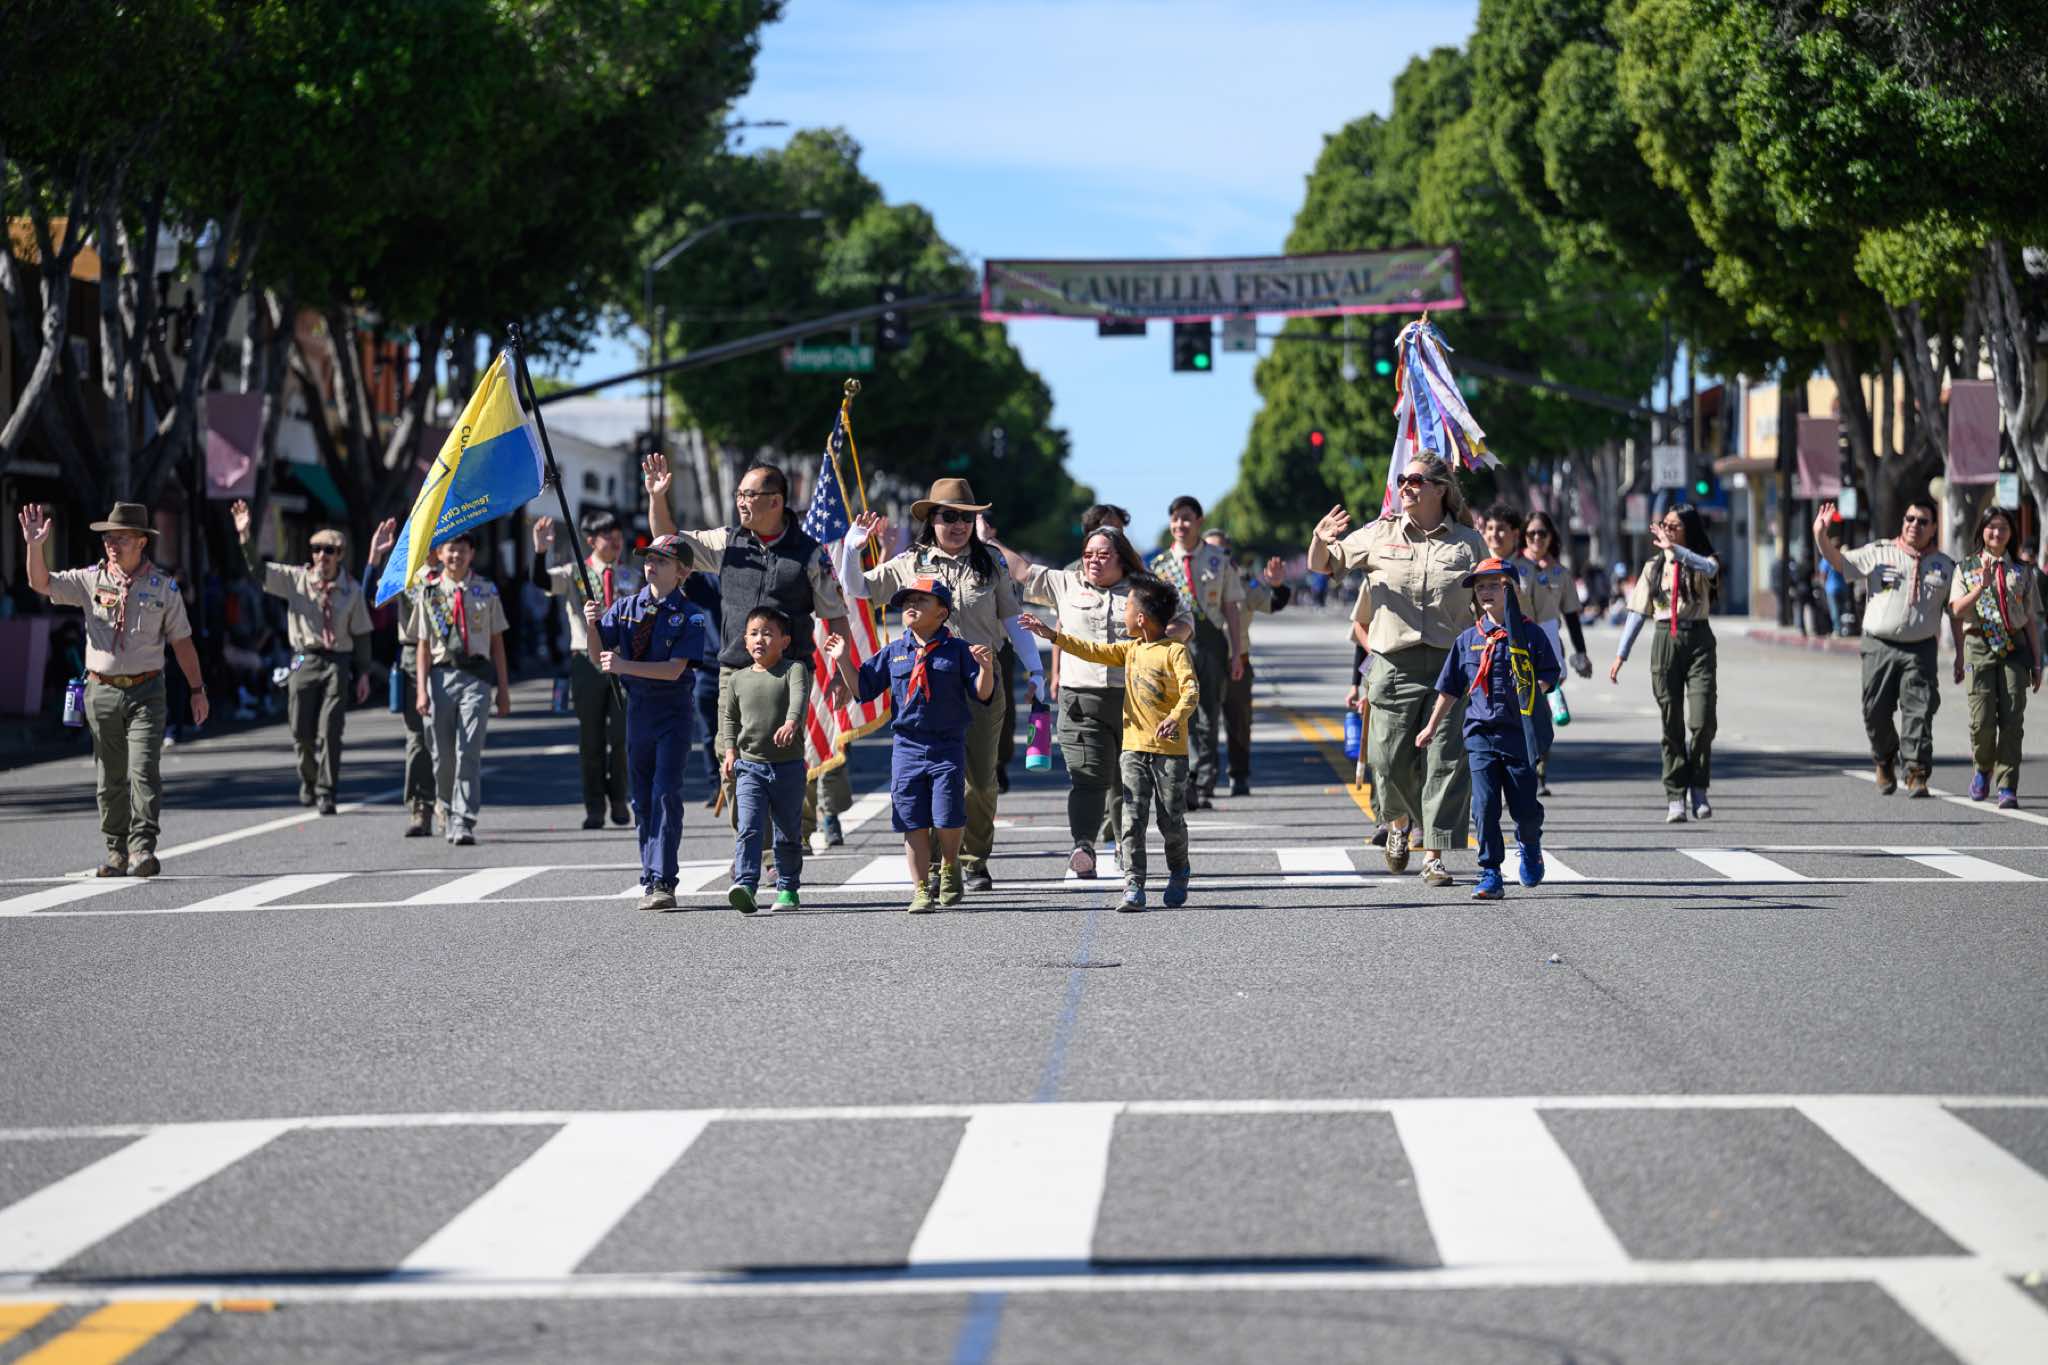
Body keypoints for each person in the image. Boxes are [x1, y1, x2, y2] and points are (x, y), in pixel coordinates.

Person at [851, 479, 1041, 894]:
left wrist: (1037, 672)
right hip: (929, 681)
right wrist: (852, 549)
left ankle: (974, 860)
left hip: (981, 675)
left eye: (965, 518)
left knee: (981, 779)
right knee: (929, 777)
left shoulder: (990, 561)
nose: (958, 525)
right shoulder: (911, 562)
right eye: (948, 516)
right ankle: (936, 864)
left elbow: (1012, 619)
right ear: (931, 520)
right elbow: (859, 588)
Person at [1307, 455, 1488, 886]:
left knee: (1445, 760)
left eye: (1416, 480)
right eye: (1403, 478)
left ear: (1440, 489)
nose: (1405, 485)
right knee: (1387, 760)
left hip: (1450, 666)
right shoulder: (1379, 532)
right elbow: (1322, 564)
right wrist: (1319, 538)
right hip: (1393, 664)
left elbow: (1487, 601)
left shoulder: (1468, 543)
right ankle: (1400, 822)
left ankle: (1434, 855)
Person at [17, 502, 210, 877]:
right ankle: (116, 851)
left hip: (146, 691)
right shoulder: (91, 579)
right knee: (110, 778)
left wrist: (197, 689)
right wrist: (34, 546)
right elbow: (41, 583)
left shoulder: (163, 587)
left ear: (141, 542)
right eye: (108, 538)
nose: (111, 544)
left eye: (121, 538)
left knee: (143, 770)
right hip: (101, 692)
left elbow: (182, 642)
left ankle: (142, 849)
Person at [994, 524, 1192, 878]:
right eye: (1088, 555)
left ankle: (1123, 846)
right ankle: (1083, 845)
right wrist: (988, 540)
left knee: (1124, 779)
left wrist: (1155, 645)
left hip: (1135, 702)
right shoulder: (1066, 583)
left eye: (1103, 555)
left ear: (1122, 558)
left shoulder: (1146, 589)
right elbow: (1021, 570)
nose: (1093, 561)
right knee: (1088, 776)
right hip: (1080, 699)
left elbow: (1183, 620)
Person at [1019, 575, 1199, 912]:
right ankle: (1134, 884)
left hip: (1169, 751)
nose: (1122, 613)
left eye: (1127, 607)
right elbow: (1093, 651)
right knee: (1132, 817)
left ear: (1141, 619)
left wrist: (1176, 717)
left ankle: (1179, 870)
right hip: (1133, 748)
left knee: (1170, 819)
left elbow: (1190, 690)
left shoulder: (1175, 652)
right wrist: (1053, 636)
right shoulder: (1130, 650)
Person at [842, 577, 997, 913]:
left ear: (942, 613)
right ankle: (921, 889)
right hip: (907, 747)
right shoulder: (894, 652)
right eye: (907, 601)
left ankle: (950, 864)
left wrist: (986, 669)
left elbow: (982, 693)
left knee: (947, 815)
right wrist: (842, 659)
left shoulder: (959, 650)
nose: (911, 605)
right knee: (911, 820)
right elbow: (862, 689)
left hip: (947, 746)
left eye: (921, 600)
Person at [1416, 558, 1562, 900]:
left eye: (1494, 585)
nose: (1485, 592)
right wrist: (1431, 726)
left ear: (1512, 590)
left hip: (1518, 735)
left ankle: (1530, 844)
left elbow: (1549, 675)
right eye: (1480, 587)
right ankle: (1490, 872)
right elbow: (1450, 688)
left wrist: (1532, 688)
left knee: (1524, 809)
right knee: (1483, 807)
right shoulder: (1468, 639)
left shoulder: (1530, 635)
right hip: (1480, 735)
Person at [584, 534, 709, 911]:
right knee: (641, 797)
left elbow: (674, 670)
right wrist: (592, 625)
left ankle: (663, 879)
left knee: (666, 792)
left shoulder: (691, 614)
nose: (651, 565)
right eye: (649, 558)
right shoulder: (625, 608)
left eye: (662, 560)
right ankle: (650, 875)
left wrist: (624, 666)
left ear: (682, 571)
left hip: (673, 712)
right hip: (638, 711)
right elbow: (597, 656)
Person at [231, 500, 373, 815]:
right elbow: (259, 571)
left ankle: (326, 791)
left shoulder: (351, 590)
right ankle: (309, 779)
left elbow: (362, 633)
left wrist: (363, 672)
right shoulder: (297, 579)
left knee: (331, 729)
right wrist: (245, 536)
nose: (322, 556)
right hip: (304, 658)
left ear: (340, 555)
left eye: (329, 550)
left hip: (337, 661)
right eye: (316, 549)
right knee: (300, 730)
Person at [1812, 497, 1954, 797]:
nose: (1914, 525)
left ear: (1934, 528)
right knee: (1874, 711)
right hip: (1879, 645)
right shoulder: (1879, 552)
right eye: (1910, 519)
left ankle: (1916, 772)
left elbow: (1955, 612)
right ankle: (1884, 757)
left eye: (1922, 521)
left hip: (1920, 649)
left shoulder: (1945, 566)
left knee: (1919, 710)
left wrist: (1962, 655)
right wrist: (1820, 535)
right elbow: (1840, 563)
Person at [1609, 503, 1721, 823]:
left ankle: (1698, 787)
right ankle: (1675, 796)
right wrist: (1621, 655)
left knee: (1702, 720)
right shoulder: (1653, 567)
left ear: (1688, 529)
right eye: (1664, 525)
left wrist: (1676, 550)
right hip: (1665, 639)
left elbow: (1709, 569)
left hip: (1699, 639)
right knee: (1671, 721)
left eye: (1674, 526)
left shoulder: (1703, 561)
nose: (1667, 530)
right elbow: (1637, 613)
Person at [533, 509, 637, 830]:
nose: (616, 542)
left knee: (621, 736)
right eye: (608, 536)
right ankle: (594, 805)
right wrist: (540, 552)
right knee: (591, 739)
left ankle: (619, 797)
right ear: (591, 541)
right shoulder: (574, 572)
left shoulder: (631, 575)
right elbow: (542, 581)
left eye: (618, 536)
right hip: (586, 660)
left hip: (622, 661)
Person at [412, 532, 512, 845]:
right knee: (442, 756)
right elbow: (423, 646)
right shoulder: (429, 593)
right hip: (441, 677)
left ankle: (464, 818)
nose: (456, 556)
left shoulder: (486, 590)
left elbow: (497, 643)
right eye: (450, 550)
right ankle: (445, 806)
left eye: (462, 550)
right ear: (440, 554)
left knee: (468, 750)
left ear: (471, 554)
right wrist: (421, 690)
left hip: (477, 677)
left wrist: (503, 689)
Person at [1148, 496, 1245, 811]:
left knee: (1208, 714)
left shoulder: (1218, 559)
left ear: (1199, 521)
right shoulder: (1160, 565)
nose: (1180, 524)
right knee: (1177, 712)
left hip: (1211, 640)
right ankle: (1183, 780)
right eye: (1175, 518)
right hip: (1174, 642)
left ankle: (1204, 782)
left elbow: (1231, 608)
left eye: (1187, 518)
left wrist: (1236, 652)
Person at [1493, 506, 1594, 794]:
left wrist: (1581, 653)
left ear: (1551, 537)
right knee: (1513, 710)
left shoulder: (1560, 573)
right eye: (1531, 533)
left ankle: (1538, 772)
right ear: (1523, 536)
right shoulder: (1512, 566)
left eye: (1542, 533)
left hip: (1548, 646)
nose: (1537, 538)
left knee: (1541, 713)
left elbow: (1571, 615)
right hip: (1516, 643)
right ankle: (1512, 771)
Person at [1949, 504, 2044, 809]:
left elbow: (2030, 620)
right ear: (1983, 530)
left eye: (2004, 527)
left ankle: (2007, 785)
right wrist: (1981, 588)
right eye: (1992, 526)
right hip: (1979, 645)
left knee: (2013, 718)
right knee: (1982, 721)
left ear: (2011, 533)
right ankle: (1982, 767)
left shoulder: (2023, 571)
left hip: (2014, 648)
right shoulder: (1966, 568)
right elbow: (1956, 609)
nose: (1997, 532)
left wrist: (2038, 662)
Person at [719, 606, 812, 915]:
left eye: (768, 633)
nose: (760, 639)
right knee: (748, 827)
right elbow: (730, 719)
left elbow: (799, 697)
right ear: (745, 641)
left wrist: (791, 722)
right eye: (754, 633)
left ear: (784, 641)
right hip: (749, 767)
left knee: (787, 832)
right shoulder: (737, 679)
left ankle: (788, 888)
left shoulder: (793, 669)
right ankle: (746, 884)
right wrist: (730, 752)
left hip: (787, 767)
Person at [1204, 530, 1290, 796]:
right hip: (1202, 663)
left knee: (1239, 722)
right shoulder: (1191, 582)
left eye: (1222, 551)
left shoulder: (1243, 582)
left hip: (1237, 662)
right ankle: (1203, 780)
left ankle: (1238, 775)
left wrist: (1277, 585)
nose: (1217, 557)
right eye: (1210, 551)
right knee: (1203, 724)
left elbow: (1272, 604)